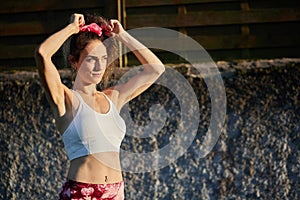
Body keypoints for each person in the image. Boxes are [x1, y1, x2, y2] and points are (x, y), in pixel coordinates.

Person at [35, 13, 165, 200]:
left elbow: (156, 68)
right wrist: (71, 29)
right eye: (91, 59)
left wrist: (123, 36)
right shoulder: (65, 99)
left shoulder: (114, 97)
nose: (99, 66)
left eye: (103, 59)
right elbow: (42, 54)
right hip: (81, 193)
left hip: (116, 192)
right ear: (74, 61)